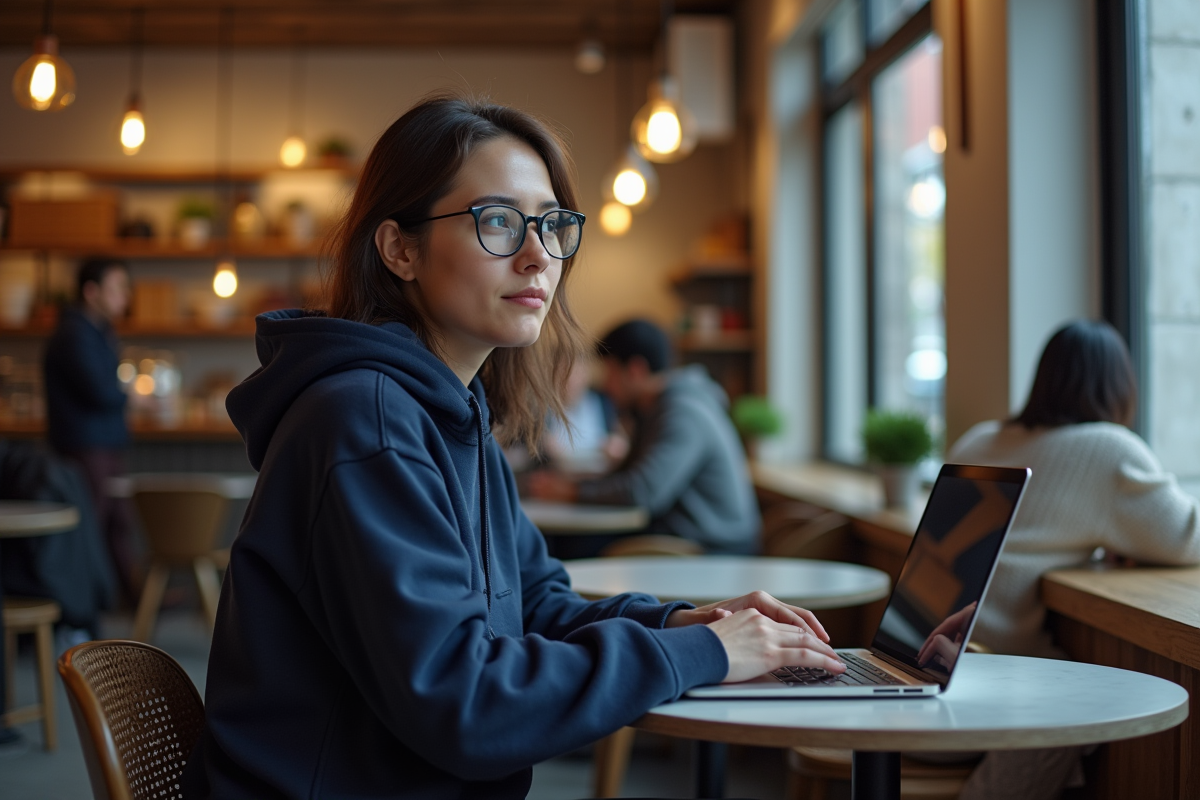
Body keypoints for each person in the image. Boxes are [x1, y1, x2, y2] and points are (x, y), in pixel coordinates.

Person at [181, 95, 844, 800]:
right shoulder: (364, 423)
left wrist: (684, 623)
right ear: (400, 249)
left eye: (552, 224)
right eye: (497, 221)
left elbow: (536, 602)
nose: (538, 256)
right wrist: (702, 654)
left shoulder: (453, 412)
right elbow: (465, 704)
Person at [939, 319, 1200, 800]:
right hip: (974, 694)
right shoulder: (1107, 448)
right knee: (1078, 700)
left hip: (921, 665)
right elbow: (1187, 538)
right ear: (1120, 386)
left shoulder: (980, 439)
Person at [528, 319, 761, 554]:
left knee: (572, 549)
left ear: (636, 370)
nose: (607, 386)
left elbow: (642, 491)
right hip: (680, 535)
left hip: (713, 548)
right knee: (566, 544)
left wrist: (571, 492)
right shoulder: (652, 409)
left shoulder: (684, 412)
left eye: (610, 372)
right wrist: (575, 484)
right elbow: (629, 475)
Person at [42, 257, 137, 602]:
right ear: (91, 291)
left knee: (116, 522)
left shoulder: (97, 332)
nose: (124, 296)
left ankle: (123, 595)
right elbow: (99, 390)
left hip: (102, 443)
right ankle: (88, 602)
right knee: (91, 526)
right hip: (85, 446)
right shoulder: (73, 334)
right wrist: (133, 398)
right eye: (116, 288)